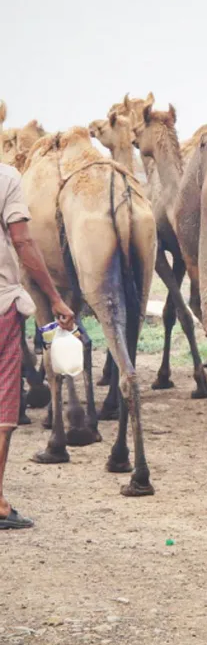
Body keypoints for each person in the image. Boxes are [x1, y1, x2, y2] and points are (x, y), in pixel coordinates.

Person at [0, 159, 75, 529]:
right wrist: (56, 298)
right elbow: (23, 240)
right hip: (0, 307)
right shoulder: (6, 176)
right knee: (2, 409)